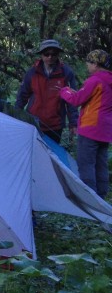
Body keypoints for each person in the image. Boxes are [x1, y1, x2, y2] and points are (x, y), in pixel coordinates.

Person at [60, 49, 112, 198]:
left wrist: (65, 91)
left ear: (95, 64)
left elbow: (77, 100)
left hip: (90, 128)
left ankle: (90, 199)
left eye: (88, 63)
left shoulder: (95, 80)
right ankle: (101, 196)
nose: (87, 67)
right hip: (106, 130)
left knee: (86, 164)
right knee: (100, 164)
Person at [15, 39, 79, 143]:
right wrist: (16, 115)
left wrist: (73, 123)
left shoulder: (66, 73)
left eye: (54, 54)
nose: (50, 57)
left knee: (51, 155)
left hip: (55, 125)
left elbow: (72, 101)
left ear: (58, 55)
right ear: (41, 55)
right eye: (46, 54)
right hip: (33, 122)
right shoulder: (32, 73)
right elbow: (22, 96)